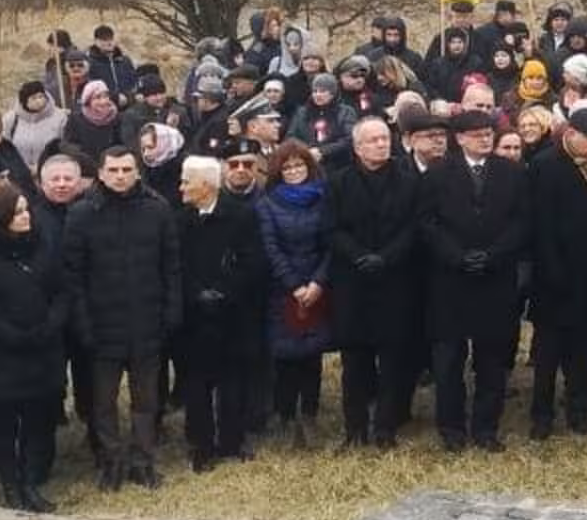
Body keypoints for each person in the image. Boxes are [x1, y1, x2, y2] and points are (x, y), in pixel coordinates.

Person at [62, 143, 181, 489]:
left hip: (147, 322)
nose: (120, 176)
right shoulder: (81, 213)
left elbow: (171, 267)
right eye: (112, 170)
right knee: (103, 403)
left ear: (137, 171)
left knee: (147, 401)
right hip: (102, 327)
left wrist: (171, 312)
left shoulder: (158, 209)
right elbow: (73, 276)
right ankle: (111, 461)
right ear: (100, 173)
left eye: (126, 170)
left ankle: (143, 460)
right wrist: (83, 324)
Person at [420, 109, 531, 451]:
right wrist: (456, 256)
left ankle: (486, 428)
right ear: (460, 139)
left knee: (491, 358)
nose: (485, 139)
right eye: (478, 134)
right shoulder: (438, 173)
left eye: (488, 133)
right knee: (449, 359)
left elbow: (521, 221)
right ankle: (451, 429)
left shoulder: (512, 172)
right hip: (451, 280)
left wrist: (494, 254)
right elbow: (427, 223)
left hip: (494, 278)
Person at [0, 183, 64, 513]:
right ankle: (10, 486)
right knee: (5, 426)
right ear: (1, 217)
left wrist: (49, 325)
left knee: (37, 423)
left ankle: (30, 482)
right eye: (17, 212)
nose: (25, 217)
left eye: (26, 210)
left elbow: (61, 291)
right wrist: (12, 335)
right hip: (2, 355)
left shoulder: (42, 246)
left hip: (42, 349)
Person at [330, 116, 420, 448]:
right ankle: (355, 429)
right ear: (357, 147)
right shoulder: (338, 182)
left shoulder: (408, 182)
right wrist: (359, 256)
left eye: (384, 138)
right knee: (354, 361)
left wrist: (386, 257)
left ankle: (386, 428)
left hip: (395, 279)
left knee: (393, 358)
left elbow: (414, 227)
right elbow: (332, 228)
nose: (381, 144)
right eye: (373, 140)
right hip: (352, 281)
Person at [177, 154, 267, 472]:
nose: (181, 187)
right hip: (194, 316)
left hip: (232, 313)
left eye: (186, 182)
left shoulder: (241, 216)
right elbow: (177, 265)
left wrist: (224, 291)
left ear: (206, 185)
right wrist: (196, 293)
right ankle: (201, 445)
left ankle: (232, 439)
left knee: (233, 380)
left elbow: (252, 261)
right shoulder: (180, 220)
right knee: (197, 384)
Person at [527, 107, 587, 438]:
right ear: (571, 134)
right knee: (548, 352)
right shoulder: (545, 165)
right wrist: (553, 271)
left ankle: (579, 411)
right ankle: (542, 416)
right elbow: (540, 224)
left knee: (585, 349)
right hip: (555, 277)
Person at [256, 141, 332, 447]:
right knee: (285, 355)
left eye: (299, 165)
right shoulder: (267, 203)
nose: (294, 171)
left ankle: (310, 414)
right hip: (282, 288)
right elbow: (270, 247)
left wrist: (318, 282)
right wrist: (294, 285)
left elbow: (330, 244)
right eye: (287, 167)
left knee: (313, 354)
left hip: (317, 285)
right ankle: (285, 415)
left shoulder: (325, 198)